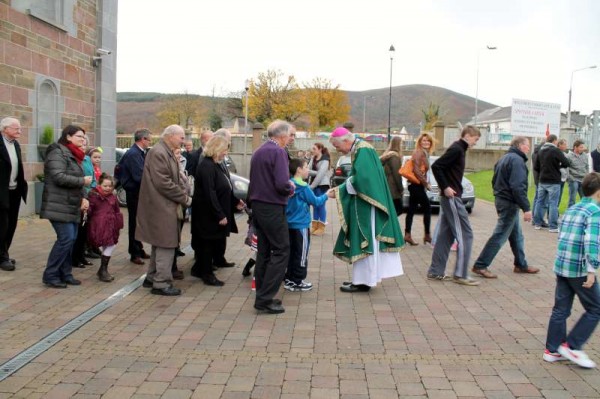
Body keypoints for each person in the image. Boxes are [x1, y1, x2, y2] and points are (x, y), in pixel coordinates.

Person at [328, 127, 404, 293]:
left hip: (366, 206)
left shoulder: (363, 150)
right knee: (364, 240)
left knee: (365, 240)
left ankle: (364, 281)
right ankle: (361, 280)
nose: (337, 149)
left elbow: (363, 179)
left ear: (346, 141)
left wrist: (339, 190)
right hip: (364, 204)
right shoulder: (361, 148)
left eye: (337, 146)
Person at [544, 172, 600, 369]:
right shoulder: (594, 212)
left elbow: (562, 235)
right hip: (580, 268)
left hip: (562, 265)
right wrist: (592, 270)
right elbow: (591, 242)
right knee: (596, 308)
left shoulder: (572, 208)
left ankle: (552, 350)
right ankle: (573, 346)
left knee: (561, 309)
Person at [472, 136, 540, 279]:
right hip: (509, 203)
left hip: (502, 200)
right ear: (520, 145)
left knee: (516, 235)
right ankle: (481, 264)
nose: (529, 148)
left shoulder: (504, 158)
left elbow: (494, 180)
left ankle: (521, 264)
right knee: (500, 235)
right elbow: (517, 187)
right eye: (527, 145)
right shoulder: (517, 161)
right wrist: (526, 208)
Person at [136, 125, 192, 296]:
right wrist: (185, 198)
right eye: (181, 137)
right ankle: (161, 283)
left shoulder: (163, 151)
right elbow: (164, 183)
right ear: (170, 136)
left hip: (163, 206)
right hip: (162, 207)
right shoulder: (160, 153)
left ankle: (152, 277)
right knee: (166, 245)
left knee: (160, 244)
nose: (183, 141)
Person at [248, 120, 295, 314]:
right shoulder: (278, 152)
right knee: (282, 250)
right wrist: (291, 188)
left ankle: (262, 294)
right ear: (281, 135)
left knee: (264, 251)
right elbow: (282, 183)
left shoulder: (260, 150)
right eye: (291, 135)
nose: (292, 139)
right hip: (272, 206)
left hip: (259, 205)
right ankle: (266, 297)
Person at [426, 125, 481, 286]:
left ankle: (435, 271)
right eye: (476, 139)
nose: (475, 143)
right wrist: (446, 187)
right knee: (466, 234)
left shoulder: (459, 149)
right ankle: (461, 274)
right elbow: (437, 166)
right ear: (469, 135)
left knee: (445, 236)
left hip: (451, 196)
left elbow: (443, 169)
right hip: (452, 198)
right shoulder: (457, 149)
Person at [40, 125, 92, 288]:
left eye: (84, 137)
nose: (82, 140)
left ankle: (66, 273)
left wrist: (84, 197)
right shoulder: (57, 152)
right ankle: (51, 275)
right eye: (79, 136)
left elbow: (77, 178)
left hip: (71, 204)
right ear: (68, 137)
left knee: (71, 240)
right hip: (58, 204)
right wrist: (82, 181)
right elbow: (58, 177)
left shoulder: (74, 154)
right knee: (66, 239)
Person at [191, 136, 243, 286]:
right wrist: (219, 214)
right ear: (216, 149)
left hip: (213, 211)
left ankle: (198, 268)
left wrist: (235, 202)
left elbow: (224, 187)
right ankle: (207, 274)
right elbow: (210, 192)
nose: (226, 153)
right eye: (225, 149)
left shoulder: (215, 164)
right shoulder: (206, 166)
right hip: (207, 214)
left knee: (209, 243)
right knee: (207, 244)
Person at [284, 158, 330, 292]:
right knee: (302, 253)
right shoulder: (304, 187)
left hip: (289, 224)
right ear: (298, 169)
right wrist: (327, 195)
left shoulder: (289, 184)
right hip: (301, 225)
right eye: (305, 167)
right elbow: (315, 202)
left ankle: (289, 279)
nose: (308, 170)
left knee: (292, 253)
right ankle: (298, 280)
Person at [118, 128, 152, 265]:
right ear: (142, 139)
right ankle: (134, 252)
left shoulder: (138, 153)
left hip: (138, 192)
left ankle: (139, 247)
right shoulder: (133, 154)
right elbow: (139, 176)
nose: (150, 142)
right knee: (135, 223)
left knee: (139, 222)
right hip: (134, 193)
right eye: (149, 139)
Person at [0, 117, 27, 272]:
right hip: (1, 192)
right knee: (2, 225)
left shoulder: (15, 144)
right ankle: (2, 257)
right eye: (16, 128)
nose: (19, 131)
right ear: (5, 129)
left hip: (15, 191)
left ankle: (4, 252)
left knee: (11, 224)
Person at [87, 173, 123, 282]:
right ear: (99, 185)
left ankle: (103, 270)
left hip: (111, 225)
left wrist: (118, 223)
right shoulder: (94, 196)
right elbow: (90, 210)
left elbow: (117, 210)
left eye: (110, 186)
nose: (108, 188)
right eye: (105, 186)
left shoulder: (112, 196)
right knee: (108, 244)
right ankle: (103, 270)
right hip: (99, 225)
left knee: (110, 244)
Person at [72, 146, 103, 268]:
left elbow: (93, 179)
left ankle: (82, 255)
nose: (83, 146)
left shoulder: (87, 160)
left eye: (85, 144)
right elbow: (80, 179)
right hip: (80, 197)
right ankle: (75, 257)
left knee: (85, 229)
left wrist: (94, 190)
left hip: (89, 195)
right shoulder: (76, 159)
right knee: (79, 229)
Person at [533, 134, 570, 232]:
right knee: (553, 203)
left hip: (542, 180)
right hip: (554, 180)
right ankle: (553, 226)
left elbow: (536, 167)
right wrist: (558, 165)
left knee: (540, 202)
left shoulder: (541, 150)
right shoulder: (556, 151)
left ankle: (537, 223)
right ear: (554, 141)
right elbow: (566, 163)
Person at [404, 133, 434, 246]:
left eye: (428, 141)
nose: (426, 142)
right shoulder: (418, 152)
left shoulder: (425, 153)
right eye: (424, 140)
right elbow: (416, 171)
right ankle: (427, 235)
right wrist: (426, 184)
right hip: (416, 185)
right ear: (420, 142)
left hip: (415, 185)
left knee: (411, 210)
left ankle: (407, 235)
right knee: (427, 208)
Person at [307, 142, 331, 236]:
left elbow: (321, 175)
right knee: (314, 205)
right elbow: (308, 170)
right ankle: (314, 226)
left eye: (314, 149)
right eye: (312, 149)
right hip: (313, 185)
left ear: (320, 149)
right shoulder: (313, 158)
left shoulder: (325, 159)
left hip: (322, 185)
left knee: (320, 205)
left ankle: (321, 227)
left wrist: (311, 186)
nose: (312, 151)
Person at [379, 136, 404, 218]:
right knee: (398, 210)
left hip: (387, 186)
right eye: (401, 143)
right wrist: (401, 189)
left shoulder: (388, 155)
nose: (402, 146)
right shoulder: (394, 157)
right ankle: (389, 227)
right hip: (393, 188)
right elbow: (397, 174)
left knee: (391, 211)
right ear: (398, 144)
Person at [567, 140, 588, 207]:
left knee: (585, 198)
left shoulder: (585, 155)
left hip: (583, 180)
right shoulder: (569, 156)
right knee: (572, 199)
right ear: (575, 147)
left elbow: (587, 166)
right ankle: (570, 214)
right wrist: (570, 178)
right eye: (581, 147)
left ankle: (584, 213)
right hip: (574, 180)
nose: (582, 149)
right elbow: (566, 168)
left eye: (583, 147)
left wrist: (586, 176)